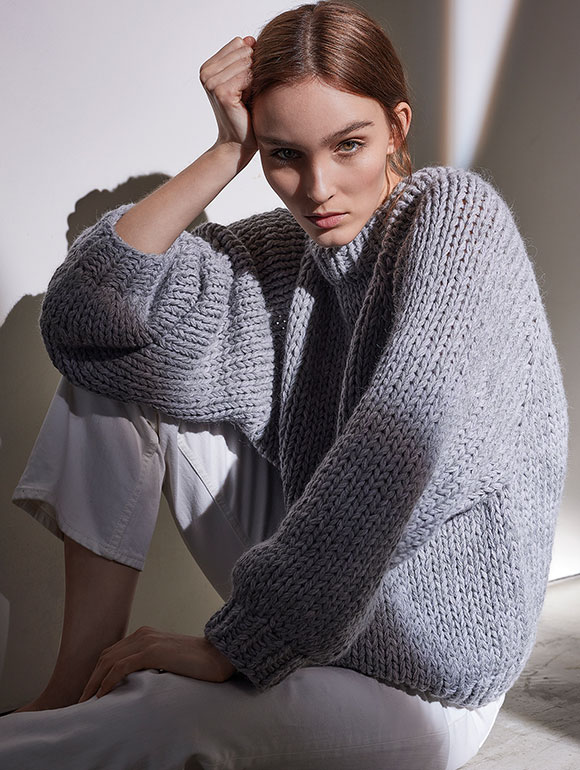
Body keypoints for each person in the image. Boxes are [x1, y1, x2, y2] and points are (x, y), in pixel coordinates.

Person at [0, 1, 568, 768]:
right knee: (109, 372)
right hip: (322, 606)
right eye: (284, 155)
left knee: (165, 716)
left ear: (396, 127)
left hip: (427, 672)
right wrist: (223, 151)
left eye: (349, 145)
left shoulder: (456, 220)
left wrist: (237, 644)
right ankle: (73, 684)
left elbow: (398, 456)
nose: (317, 188)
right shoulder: (280, 257)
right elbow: (86, 325)